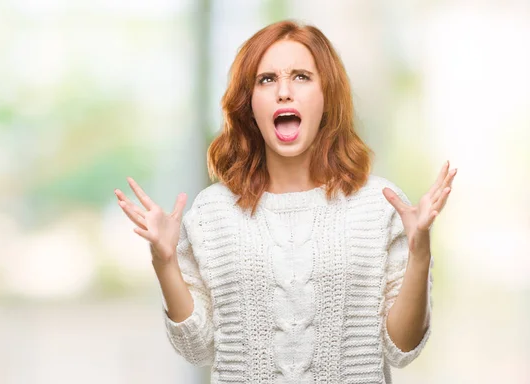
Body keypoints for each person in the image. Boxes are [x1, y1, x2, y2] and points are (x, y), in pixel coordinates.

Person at [115, 19, 456, 384]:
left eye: (301, 77)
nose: (283, 92)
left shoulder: (379, 205)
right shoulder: (212, 213)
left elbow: (401, 349)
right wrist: (164, 261)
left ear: (327, 97)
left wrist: (421, 255)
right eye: (267, 79)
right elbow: (197, 349)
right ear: (249, 105)